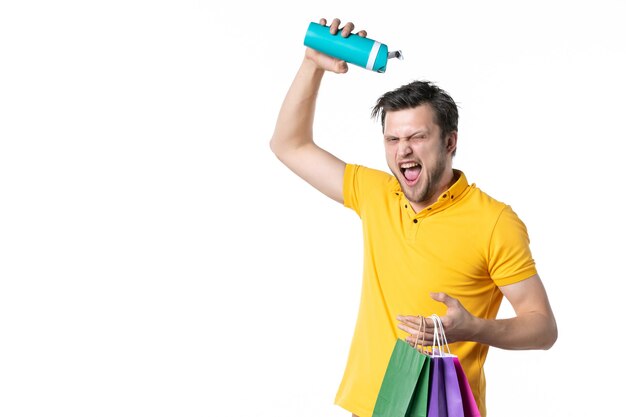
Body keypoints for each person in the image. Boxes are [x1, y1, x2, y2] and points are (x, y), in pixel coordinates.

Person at [269, 17, 558, 417]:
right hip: (368, 408)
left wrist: (473, 328)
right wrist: (313, 64)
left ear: (450, 141)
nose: (403, 150)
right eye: (393, 139)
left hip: (441, 409)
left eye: (417, 137)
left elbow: (542, 327)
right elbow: (289, 144)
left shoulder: (494, 221)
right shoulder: (376, 194)